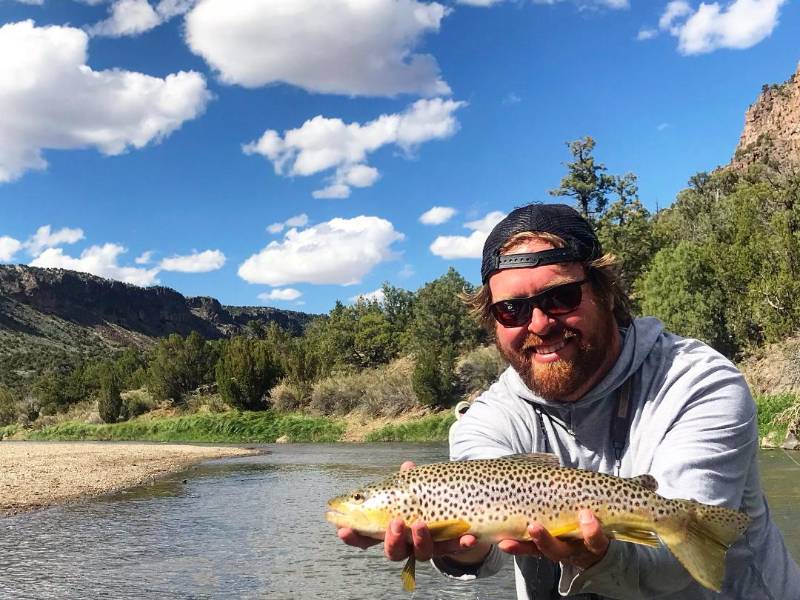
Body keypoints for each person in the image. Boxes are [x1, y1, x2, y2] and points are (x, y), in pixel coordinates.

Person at [337, 203, 800, 599]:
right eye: (512, 309)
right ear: (493, 320)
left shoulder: (698, 382)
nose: (539, 324)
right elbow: (487, 550)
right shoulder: (485, 420)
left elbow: (671, 568)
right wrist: (463, 547)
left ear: (605, 292)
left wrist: (600, 553)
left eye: (561, 297)